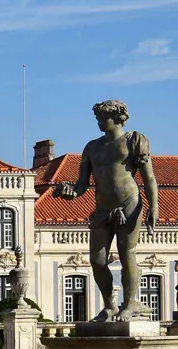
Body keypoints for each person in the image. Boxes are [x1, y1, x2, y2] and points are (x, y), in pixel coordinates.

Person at [57, 100, 159, 321]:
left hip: (128, 203)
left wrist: (154, 206)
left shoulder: (134, 141)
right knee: (97, 260)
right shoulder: (92, 147)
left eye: (102, 118)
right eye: (97, 118)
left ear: (116, 118)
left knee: (127, 254)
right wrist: (69, 193)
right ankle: (110, 306)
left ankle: (130, 303)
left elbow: (149, 177)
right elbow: (81, 185)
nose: (99, 122)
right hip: (102, 208)